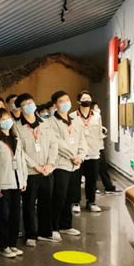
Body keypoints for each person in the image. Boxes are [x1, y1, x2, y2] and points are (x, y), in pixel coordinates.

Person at [14, 93, 60, 246]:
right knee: (28, 205)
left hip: (47, 170)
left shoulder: (45, 123)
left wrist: (50, 164)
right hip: (30, 172)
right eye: (25, 104)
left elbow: (54, 144)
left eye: (31, 102)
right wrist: (35, 166)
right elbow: (20, 151)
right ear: (20, 108)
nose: (29, 105)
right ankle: (30, 235)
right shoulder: (16, 127)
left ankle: (45, 232)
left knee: (46, 203)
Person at [0, 109, 27, 258]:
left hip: (16, 183)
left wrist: (23, 180)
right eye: (2, 119)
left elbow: (22, 161)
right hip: (2, 185)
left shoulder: (15, 139)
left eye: (8, 117)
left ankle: (12, 244)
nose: (7, 121)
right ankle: (2, 245)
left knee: (15, 215)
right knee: (2, 215)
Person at [49, 91, 86, 237]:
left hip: (75, 165)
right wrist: (72, 156)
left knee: (70, 196)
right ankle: (53, 227)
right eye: (62, 101)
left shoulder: (75, 121)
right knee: (59, 197)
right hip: (61, 165)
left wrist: (80, 156)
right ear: (55, 105)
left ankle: (66, 225)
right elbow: (57, 143)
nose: (66, 103)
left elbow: (82, 140)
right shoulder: (51, 122)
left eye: (67, 99)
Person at [70, 91, 103, 213]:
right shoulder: (72, 116)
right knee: (76, 179)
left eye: (88, 98)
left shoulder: (97, 116)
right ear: (78, 101)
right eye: (84, 99)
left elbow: (99, 133)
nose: (86, 100)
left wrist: (99, 149)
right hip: (78, 153)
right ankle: (75, 202)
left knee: (92, 179)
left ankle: (91, 202)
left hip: (93, 152)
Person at [91, 102, 122, 194]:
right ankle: (93, 188)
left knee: (103, 169)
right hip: (91, 149)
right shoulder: (88, 120)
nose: (98, 109)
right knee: (93, 170)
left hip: (100, 147)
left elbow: (102, 130)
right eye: (96, 108)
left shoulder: (98, 118)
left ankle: (109, 187)